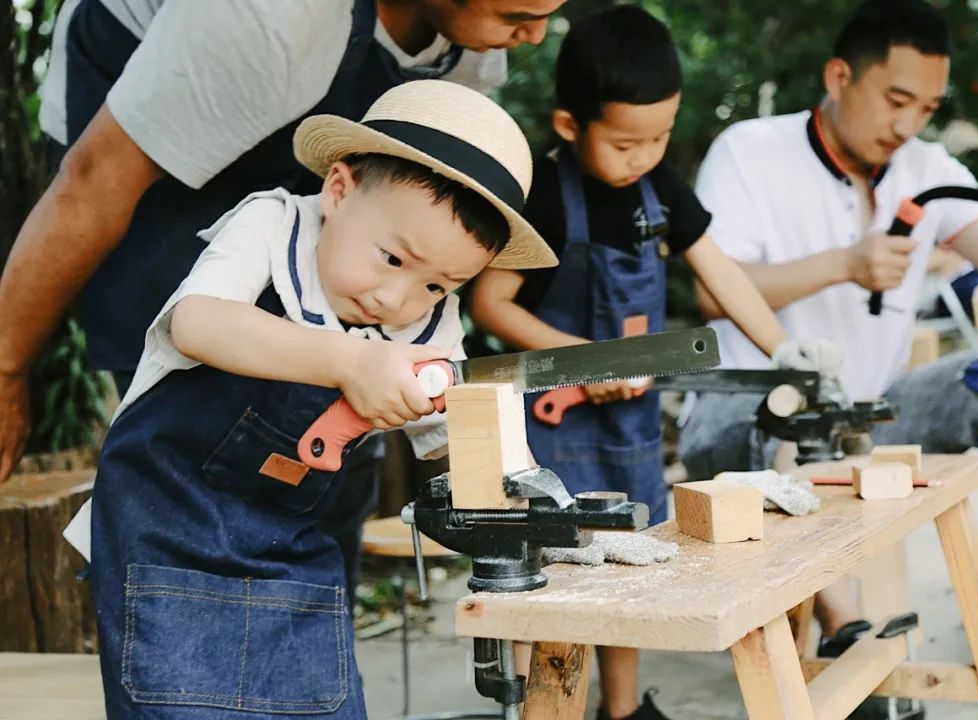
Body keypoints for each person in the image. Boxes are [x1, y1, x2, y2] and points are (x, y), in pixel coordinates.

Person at [2, 0, 563, 599]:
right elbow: (95, 180)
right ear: (336, 190)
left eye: (436, 285)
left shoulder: (473, 54)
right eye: (516, 13)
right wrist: (6, 369)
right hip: (148, 185)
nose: (530, 36)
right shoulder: (270, 19)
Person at [86, 80, 555, 720]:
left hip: (294, 553)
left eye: (438, 285)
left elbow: (458, 442)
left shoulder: (429, 323)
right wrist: (352, 360)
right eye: (392, 257)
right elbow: (196, 323)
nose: (399, 299)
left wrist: (520, 500)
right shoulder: (271, 225)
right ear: (338, 190)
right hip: (166, 535)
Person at [678, 0, 978, 684]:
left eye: (926, 108)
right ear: (839, 78)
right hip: (751, 410)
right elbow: (715, 292)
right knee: (765, 421)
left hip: (874, 410)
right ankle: (848, 632)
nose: (909, 125)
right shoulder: (750, 150)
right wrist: (845, 262)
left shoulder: (924, 165)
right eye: (897, 100)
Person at [469, 7, 836, 720]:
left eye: (661, 137)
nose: (646, 155)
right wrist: (582, 360)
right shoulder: (544, 191)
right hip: (553, 427)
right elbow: (491, 304)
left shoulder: (659, 186)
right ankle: (538, 710)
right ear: (572, 126)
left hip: (630, 425)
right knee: (549, 570)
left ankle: (623, 710)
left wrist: (784, 352)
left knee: (629, 556)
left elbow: (722, 272)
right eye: (628, 142)